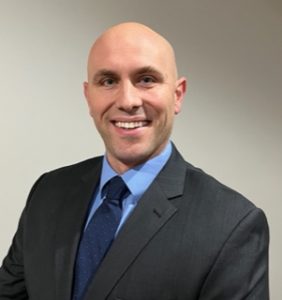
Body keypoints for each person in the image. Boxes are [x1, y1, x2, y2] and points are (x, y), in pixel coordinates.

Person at [0, 22, 269, 300]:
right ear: (88, 96)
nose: (128, 101)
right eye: (108, 81)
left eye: (146, 79)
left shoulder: (232, 225)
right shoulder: (48, 192)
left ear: (177, 95)